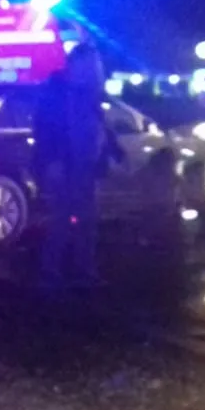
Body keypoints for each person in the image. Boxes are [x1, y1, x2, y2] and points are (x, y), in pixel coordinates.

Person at [33, 43, 120, 289]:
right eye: (89, 64)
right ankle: (51, 272)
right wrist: (53, 162)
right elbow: (45, 130)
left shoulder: (88, 94)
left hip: (85, 164)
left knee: (87, 221)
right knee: (62, 219)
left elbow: (101, 127)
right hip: (66, 163)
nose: (93, 69)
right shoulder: (59, 92)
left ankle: (84, 271)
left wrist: (114, 151)